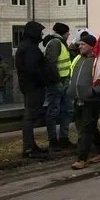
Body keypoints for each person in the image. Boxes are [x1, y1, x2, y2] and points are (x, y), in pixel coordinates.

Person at [69, 33, 100, 169]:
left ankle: (82, 158)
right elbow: (72, 75)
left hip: (92, 100)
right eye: (79, 44)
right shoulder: (78, 58)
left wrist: (94, 91)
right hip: (78, 99)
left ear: (91, 46)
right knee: (87, 127)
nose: (80, 46)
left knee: (86, 129)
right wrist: (69, 89)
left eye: (83, 44)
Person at [14, 21, 55, 159]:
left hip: (30, 86)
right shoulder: (30, 48)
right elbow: (33, 69)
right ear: (33, 33)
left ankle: (31, 146)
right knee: (30, 117)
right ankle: (28, 148)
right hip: (33, 87)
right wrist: (44, 80)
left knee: (30, 116)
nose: (41, 35)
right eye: (40, 33)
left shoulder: (26, 46)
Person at [43, 22, 75, 150]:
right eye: (68, 32)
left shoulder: (60, 43)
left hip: (64, 82)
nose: (69, 35)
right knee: (54, 111)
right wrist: (57, 81)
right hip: (57, 84)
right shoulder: (56, 43)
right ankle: (53, 141)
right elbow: (51, 64)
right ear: (64, 33)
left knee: (66, 111)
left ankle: (63, 138)